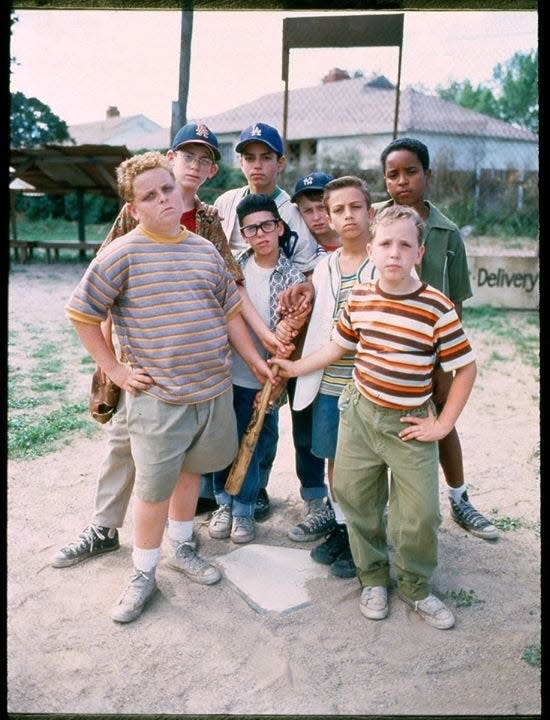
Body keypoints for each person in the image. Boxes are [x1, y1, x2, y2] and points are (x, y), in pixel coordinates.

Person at [51, 122, 285, 571]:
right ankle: (104, 528)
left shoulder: (210, 223)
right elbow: (97, 290)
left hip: (193, 370)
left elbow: (228, 292)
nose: (193, 167)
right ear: (170, 157)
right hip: (141, 358)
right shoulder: (134, 213)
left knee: (184, 458)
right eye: (187, 156)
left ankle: (180, 541)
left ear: (213, 169)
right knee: (126, 443)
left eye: (204, 159)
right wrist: (112, 364)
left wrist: (261, 347)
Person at [273, 204, 477, 629]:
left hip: (411, 425)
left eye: (405, 245)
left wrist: (441, 425)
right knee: (356, 497)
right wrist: (295, 367)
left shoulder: (436, 307)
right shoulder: (361, 297)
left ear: (419, 253)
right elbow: (339, 346)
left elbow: (465, 368)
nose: (394, 253)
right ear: (371, 249)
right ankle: (372, 577)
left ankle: (416, 585)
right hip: (362, 415)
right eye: (385, 244)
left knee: (419, 515)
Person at [374, 136, 497, 541]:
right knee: (379, 427)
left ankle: (460, 498)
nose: (402, 181)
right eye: (393, 175)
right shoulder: (376, 222)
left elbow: (455, 303)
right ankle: (374, 511)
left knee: (441, 422)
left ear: (428, 174)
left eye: (411, 172)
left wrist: (446, 363)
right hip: (381, 351)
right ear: (385, 180)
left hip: (430, 352)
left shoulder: (447, 233)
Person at [215, 123, 330, 529]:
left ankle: (311, 494)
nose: (257, 166)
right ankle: (239, 493)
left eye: (266, 157)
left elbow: (316, 268)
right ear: (239, 161)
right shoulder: (228, 203)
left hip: (291, 331)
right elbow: (222, 267)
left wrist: (303, 294)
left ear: (281, 162)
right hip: (240, 330)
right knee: (238, 413)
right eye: (249, 157)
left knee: (292, 413)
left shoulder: (293, 211)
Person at [208, 193, 306, 544]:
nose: (260, 234)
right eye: (251, 229)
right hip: (228, 370)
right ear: (243, 234)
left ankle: (245, 508)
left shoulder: (294, 277)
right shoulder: (234, 267)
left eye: (267, 225)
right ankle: (223, 503)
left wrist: (278, 372)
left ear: (279, 228)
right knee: (225, 438)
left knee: (258, 439)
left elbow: (294, 329)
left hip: (266, 376)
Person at [291, 175, 377, 578]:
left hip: (368, 387)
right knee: (335, 464)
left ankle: (366, 536)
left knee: (366, 466)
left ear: (370, 212)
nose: (347, 216)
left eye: (355, 207)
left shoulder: (384, 262)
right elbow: (316, 304)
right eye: (338, 209)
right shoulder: (325, 265)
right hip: (328, 384)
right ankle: (342, 528)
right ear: (327, 216)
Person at [290, 171, 341, 252]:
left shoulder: (359, 240)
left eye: (322, 208)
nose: (316, 217)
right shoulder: (297, 248)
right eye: (308, 211)